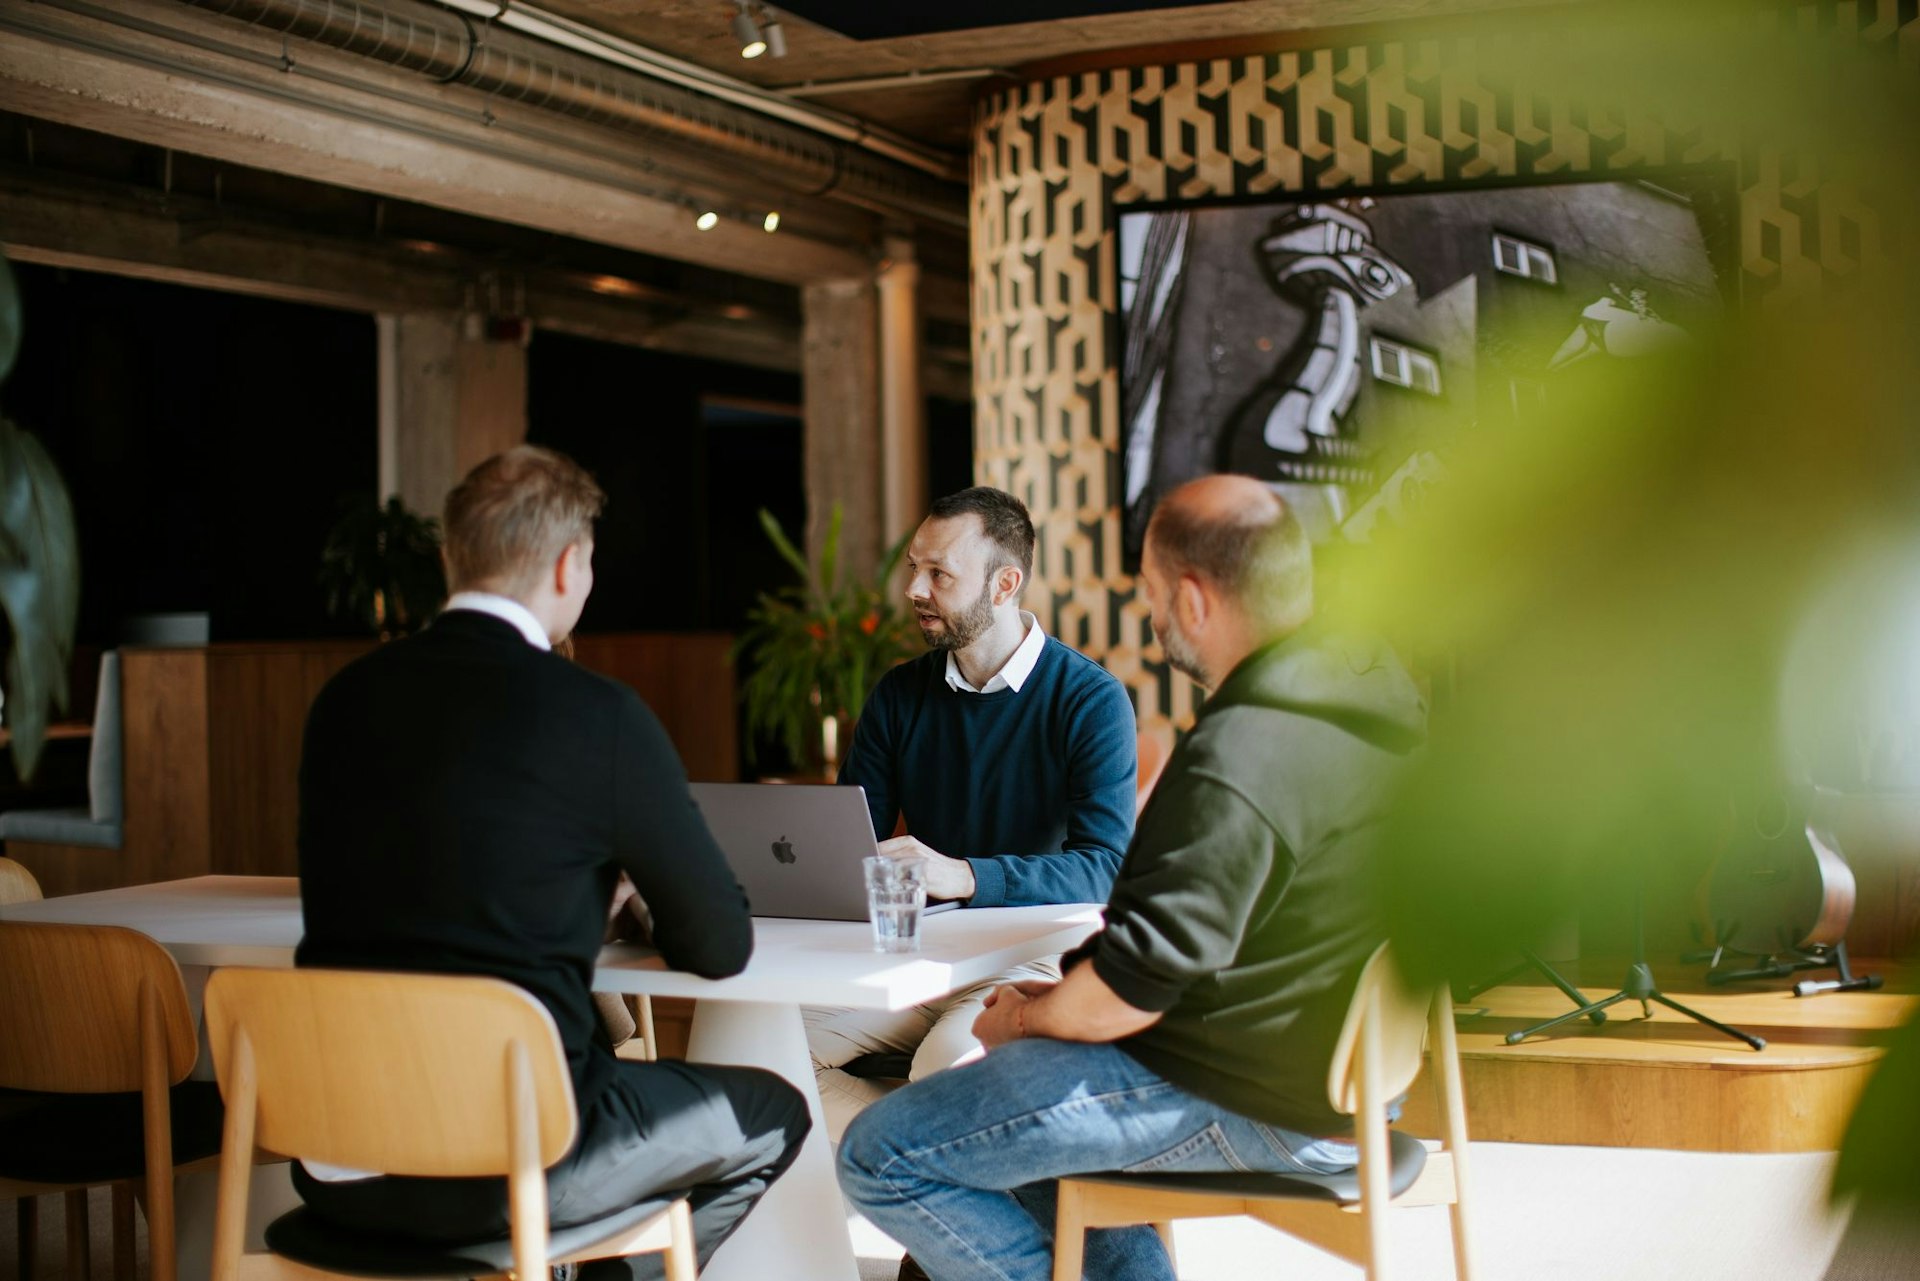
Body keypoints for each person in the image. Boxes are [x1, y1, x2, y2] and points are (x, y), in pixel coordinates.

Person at [837, 474, 1427, 1281]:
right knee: (1006, 1123)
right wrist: (1060, 1003)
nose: (1149, 615)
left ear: (1193, 599)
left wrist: (1026, 1021)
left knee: (883, 1152)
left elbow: (1136, 982)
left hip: (1251, 1092)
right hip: (1332, 1075)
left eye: (1149, 592)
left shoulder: (1241, 751)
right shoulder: (1368, 702)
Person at [294, 446, 809, 1280]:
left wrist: (564, 894)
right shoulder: (599, 715)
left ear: (450, 556)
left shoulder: (342, 702)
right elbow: (719, 944)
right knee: (771, 1111)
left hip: (336, 1157)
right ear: (570, 565)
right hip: (507, 1161)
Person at [808, 486, 1138, 1135]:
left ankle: (909, 1157)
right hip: (915, 955)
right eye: (915, 567)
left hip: (1031, 960)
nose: (914, 589)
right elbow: (849, 840)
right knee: (759, 1039)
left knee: (945, 1071)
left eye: (940, 574)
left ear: (1004, 584)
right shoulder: (899, 695)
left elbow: (1105, 869)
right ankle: (910, 1156)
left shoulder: (1091, 701)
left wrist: (964, 875)